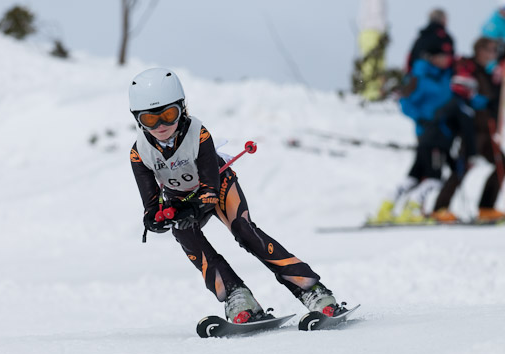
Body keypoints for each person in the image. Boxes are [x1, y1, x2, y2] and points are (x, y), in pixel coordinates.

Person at [129, 68, 344, 323]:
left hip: (218, 186)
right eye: (151, 120)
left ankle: (312, 291)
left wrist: (192, 210)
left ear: (182, 108)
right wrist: (155, 220)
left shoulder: (198, 134)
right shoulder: (139, 153)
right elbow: (151, 205)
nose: (161, 126)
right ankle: (236, 295)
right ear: (138, 120)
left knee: (243, 230)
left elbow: (209, 190)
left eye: (168, 115)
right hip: (180, 199)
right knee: (184, 233)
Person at [371, 42, 474, 223]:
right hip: (431, 135)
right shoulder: (419, 77)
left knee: (414, 177)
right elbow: (405, 102)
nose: (446, 60)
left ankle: (386, 208)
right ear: (433, 57)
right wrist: (425, 117)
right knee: (433, 178)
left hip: (436, 136)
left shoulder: (445, 78)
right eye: (442, 56)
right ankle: (412, 210)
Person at [434, 38, 505, 222]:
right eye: (490, 50)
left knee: (501, 165)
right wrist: (475, 100)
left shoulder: (490, 73)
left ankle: (486, 208)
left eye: (495, 50)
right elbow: (460, 92)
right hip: (471, 131)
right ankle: (439, 209)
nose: (493, 54)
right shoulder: (468, 67)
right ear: (480, 50)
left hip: (487, 131)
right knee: (462, 167)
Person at [406, 8, 455, 74]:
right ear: (443, 19)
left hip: (417, 75)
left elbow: (410, 57)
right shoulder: (445, 37)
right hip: (439, 75)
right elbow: (450, 57)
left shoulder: (421, 37)